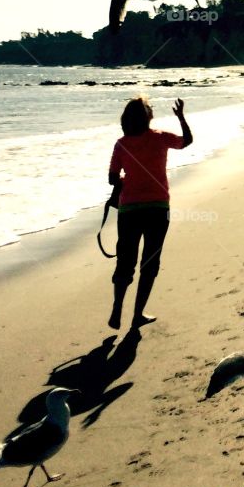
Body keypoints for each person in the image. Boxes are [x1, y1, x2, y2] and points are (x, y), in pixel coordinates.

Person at [107, 96, 192, 330]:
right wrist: (181, 117)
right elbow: (187, 141)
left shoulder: (121, 144)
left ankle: (116, 309)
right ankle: (137, 314)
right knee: (150, 262)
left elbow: (112, 178)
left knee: (125, 262)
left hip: (129, 210)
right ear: (148, 117)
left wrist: (128, 179)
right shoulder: (160, 137)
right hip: (157, 207)